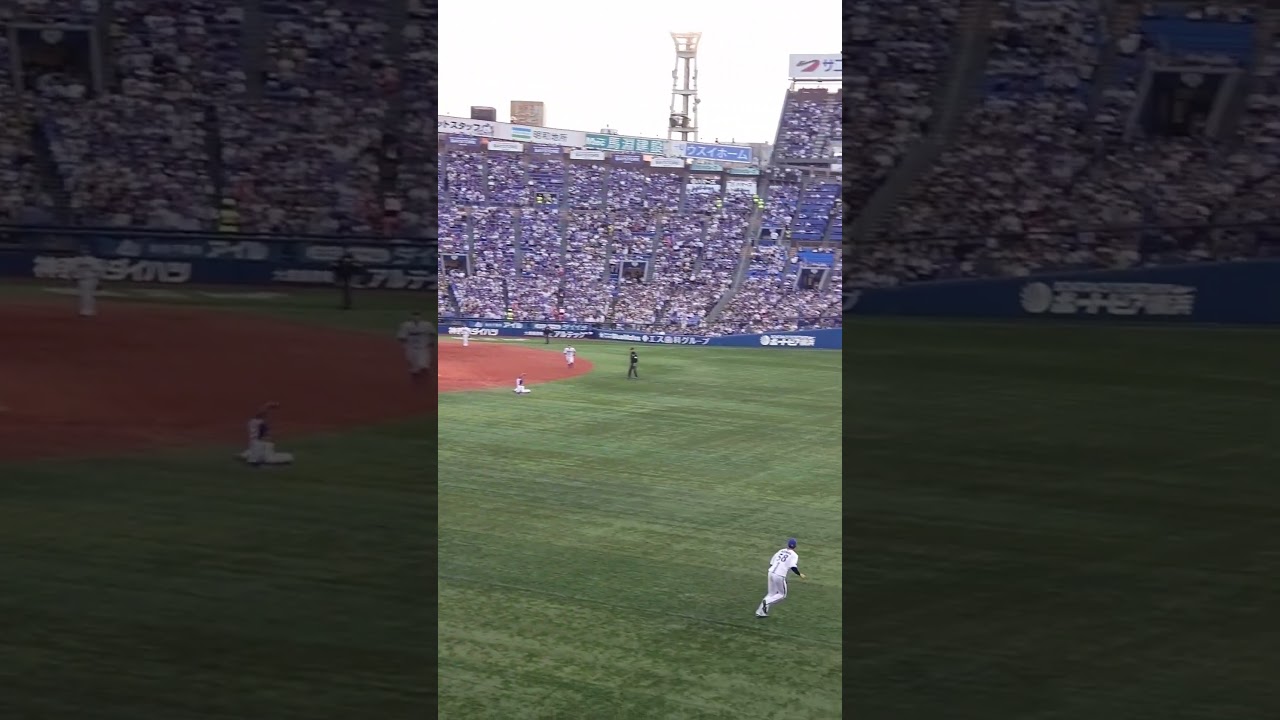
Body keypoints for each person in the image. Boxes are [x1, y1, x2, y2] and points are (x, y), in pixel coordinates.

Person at [756, 538, 805, 618]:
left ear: (788, 544)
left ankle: (760, 612)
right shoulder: (794, 555)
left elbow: (771, 562)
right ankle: (766, 602)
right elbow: (793, 566)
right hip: (779, 575)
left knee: (771, 594)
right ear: (795, 546)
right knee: (782, 595)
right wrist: (799, 574)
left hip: (771, 572)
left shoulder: (781, 551)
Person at [238, 402, 295, 466]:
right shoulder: (261, 424)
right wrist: (268, 406)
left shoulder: (251, 422)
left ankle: (246, 455)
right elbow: (266, 437)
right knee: (285, 457)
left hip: (253, 445)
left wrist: (267, 406)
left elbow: (259, 414)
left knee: (255, 453)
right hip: (262, 447)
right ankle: (286, 457)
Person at [397, 311, 432, 380]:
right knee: (412, 362)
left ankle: (422, 373)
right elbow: (401, 336)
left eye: (417, 316)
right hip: (410, 347)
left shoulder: (427, 325)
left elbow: (432, 333)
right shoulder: (405, 325)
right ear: (411, 317)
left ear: (420, 317)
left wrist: (431, 342)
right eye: (414, 316)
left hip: (423, 347)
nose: (416, 318)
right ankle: (416, 375)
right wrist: (403, 344)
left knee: (422, 365)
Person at [73, 248, 101, 317]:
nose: (84, 252)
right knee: (83, 295)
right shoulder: (78, 260)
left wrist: (98, 280)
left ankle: (89, 310)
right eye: (83, 251)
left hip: (91, 279)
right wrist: (74, 277)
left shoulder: (93, 260)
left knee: (88, 295)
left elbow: (98, 271)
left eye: (85, 251)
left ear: (89, 252)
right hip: (82, 279)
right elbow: (74, 270)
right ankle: (84, 310)